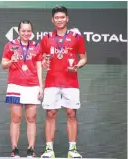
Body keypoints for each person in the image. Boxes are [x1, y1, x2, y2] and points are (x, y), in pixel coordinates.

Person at [40, 6, 87, 158]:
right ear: (52, 20)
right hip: (51, 82)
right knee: (51, 114)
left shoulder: (76, 37)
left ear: (67, 19)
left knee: (71, 113)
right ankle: (49, 150)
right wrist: (44, 63)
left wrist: (77, 66)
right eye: (57, 18)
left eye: (62, 17)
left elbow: (84, 58)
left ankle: (72, 150)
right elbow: (42, 59)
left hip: (71, 81)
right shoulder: (46, 37)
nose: (59, 20)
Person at [1, 20, 43, 157]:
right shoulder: (10, 45)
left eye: (29, 31)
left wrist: (41, 87)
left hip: (32, 85)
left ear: (32, 32)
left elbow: (39, 67)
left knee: (31, 118)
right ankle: (15, 149)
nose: (26, 33)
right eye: (23, 31)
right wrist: (10, 61)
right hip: (15, 85)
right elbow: (3, 65)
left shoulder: (37, 46)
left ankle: (31, 149)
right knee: (16, 118)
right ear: (18, 31)